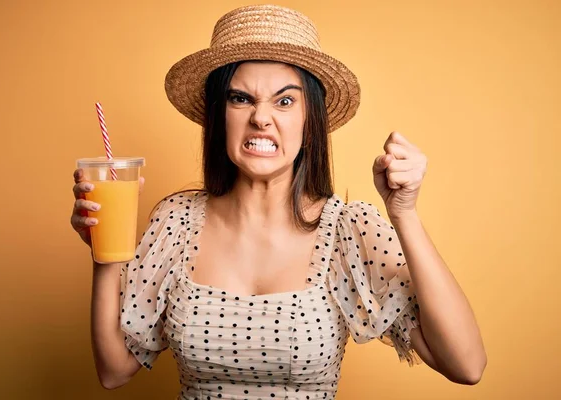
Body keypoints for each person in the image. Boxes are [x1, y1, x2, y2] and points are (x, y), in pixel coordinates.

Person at [70, 4, 486, 397]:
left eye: (285, 101)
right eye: (241, 98)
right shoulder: (176, 221)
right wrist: (105, 252)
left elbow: (466, 366)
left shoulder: (348, 231)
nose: (261, 118)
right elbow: (114, 369)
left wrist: (405, 214)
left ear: (310, 122)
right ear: (220, 116)